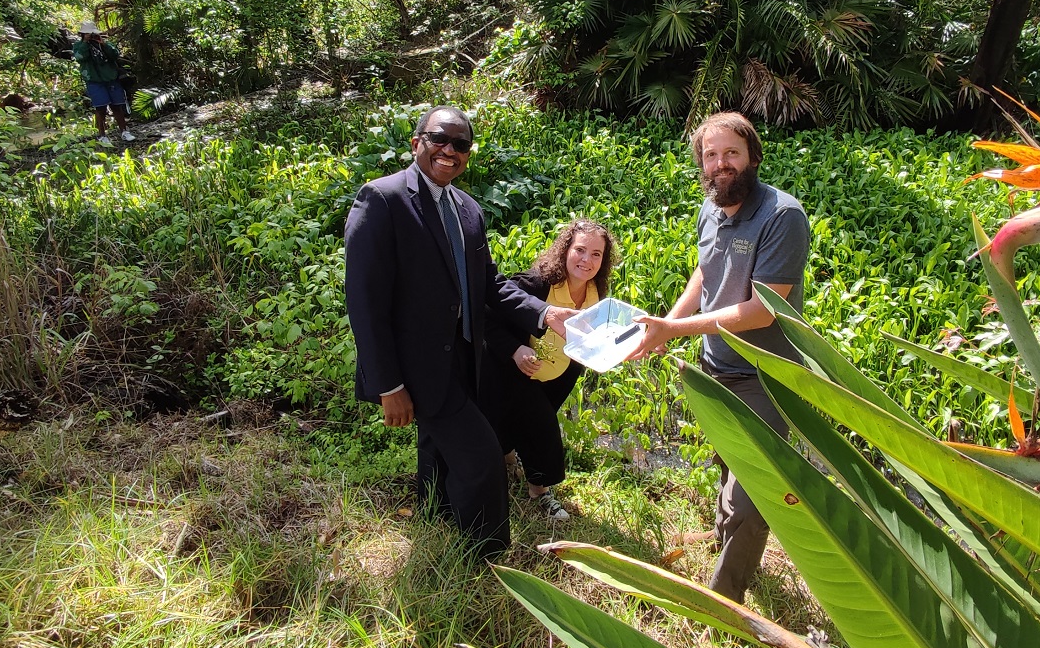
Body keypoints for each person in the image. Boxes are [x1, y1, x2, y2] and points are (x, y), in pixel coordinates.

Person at [343, 105, 576, 559]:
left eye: (461, 144)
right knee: (482, 459)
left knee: (437, 447)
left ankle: (433, 520)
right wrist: (389, 384)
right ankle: (488, 560)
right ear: (417, 144)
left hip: (466, 358)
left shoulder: (468, 209)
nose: (450, 151)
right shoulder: (382, 199)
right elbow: (365, 304)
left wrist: (545, 314)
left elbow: (487, 285)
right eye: (439, 140)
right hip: (416, 367)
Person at [628, 112, 810, 602]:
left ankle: (724, 601)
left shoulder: (781, 216)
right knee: (728, 459)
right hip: (716, 365)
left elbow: (760, 311)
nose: (720, 163)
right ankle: (720, 532)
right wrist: (665, 326)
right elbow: (705, 274)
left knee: (755, 490)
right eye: (710, 155)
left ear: (752, 155)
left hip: (764, 372)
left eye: (731, 152)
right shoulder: (711, 208)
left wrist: (676, 328)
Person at [482, 219, 620, 523]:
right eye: (580, 250)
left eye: (596, 254)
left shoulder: (597, 288)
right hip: (520, 370)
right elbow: (489, 313)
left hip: (561, 373)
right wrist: (516, 350)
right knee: (542, 431)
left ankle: (508, 463)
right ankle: (539, 491)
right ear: (565, 250)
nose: (587, 260)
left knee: (522, 424)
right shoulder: (537, 283)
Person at [72, 20, 134, 146]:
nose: (91, 36)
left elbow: (114, 54)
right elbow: (79, 57)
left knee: (117, 106)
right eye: (88, 34)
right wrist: (85, 42)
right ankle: (102, 135)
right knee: (100, 108)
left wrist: (104, 44)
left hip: (111, 78)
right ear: (83, 34)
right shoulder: (79, 46)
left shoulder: (103, 43)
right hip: (94, 81)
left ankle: (124, 131)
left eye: (92, 33)